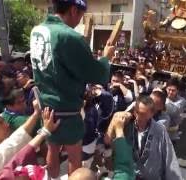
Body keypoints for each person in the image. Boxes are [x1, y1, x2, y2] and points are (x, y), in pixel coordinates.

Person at [30, 0, 115, 178]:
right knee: (74, 157)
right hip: (67, 108)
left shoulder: (37, 30)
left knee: (52, 149)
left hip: (47, 106)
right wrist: (106, 58)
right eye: (81, 15)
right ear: (74, 10)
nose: (79, 20)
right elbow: (97, 75)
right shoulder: (69, 36)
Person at [122, 96, 182, 180]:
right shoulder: (127, 127)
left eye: (144, 114)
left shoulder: (160, 130)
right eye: (138, 113)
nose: (140, 117)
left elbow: (169, 158)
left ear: (151, 114)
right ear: (135, 111)